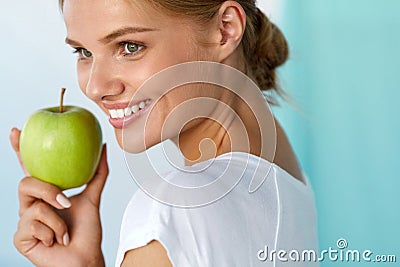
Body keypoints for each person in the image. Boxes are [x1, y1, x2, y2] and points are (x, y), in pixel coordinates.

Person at [10, 0, 319, 266]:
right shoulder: (283, 172)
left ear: (225, 29)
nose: (95, 88)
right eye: (83, 52)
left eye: (129, 47)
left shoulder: (169, 213)